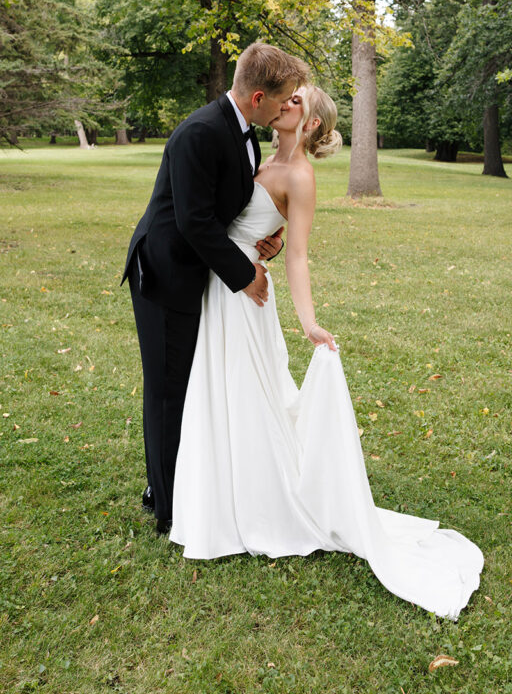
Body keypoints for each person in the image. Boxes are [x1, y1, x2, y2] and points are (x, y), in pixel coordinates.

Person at [170, 85, 484, 619]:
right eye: (285, 96)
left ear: (311, 124)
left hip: (248, 297)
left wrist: (308, 320)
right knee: (220, 392)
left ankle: (255, 505)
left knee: (248, 398)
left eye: (296, 102)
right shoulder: (257, 153)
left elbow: (297, 256)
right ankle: (217, 499)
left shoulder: (301, 176)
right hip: (222, 284)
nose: (284, 104)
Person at [122, 43, 310, 532]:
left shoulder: (245, 132)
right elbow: (193, 221)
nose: (288, 105)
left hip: (201, 270)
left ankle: (182, 482)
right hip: (166, 274)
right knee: (168, 390)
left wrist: (257, 243)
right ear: (257, 99)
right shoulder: (201, 132)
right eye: (284, 97)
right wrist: (245, 275)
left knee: (191, 385)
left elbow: (227, 206)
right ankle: (165, 505)